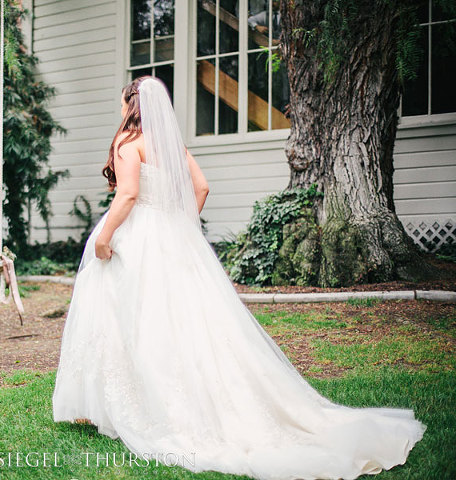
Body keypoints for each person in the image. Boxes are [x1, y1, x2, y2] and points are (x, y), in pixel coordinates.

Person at [51, 76, 426, 479]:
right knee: (189, 322)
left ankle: (124, 404)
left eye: (123, 103)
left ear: (132, 105)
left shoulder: (128, 144)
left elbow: (126, 196)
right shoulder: (172, 147)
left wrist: (104, 239)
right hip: (175, 239)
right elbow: (203, 187)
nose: (121, 110)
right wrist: (179, 227)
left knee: (130, 316)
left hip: (138, 239)